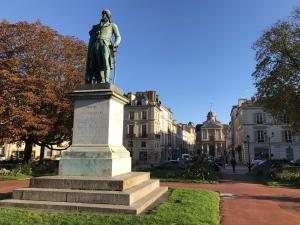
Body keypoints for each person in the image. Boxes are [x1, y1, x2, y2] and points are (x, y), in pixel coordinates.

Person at [85, 9, 121, 84]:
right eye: (102, 14)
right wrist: (95, 34)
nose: (102, 16)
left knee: (106, 62)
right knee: (96, 63)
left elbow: (118, 36)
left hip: (106, 44)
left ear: (108, 16)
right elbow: (91, 35)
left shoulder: (112, 25)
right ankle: (100, 79)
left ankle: (106, 80)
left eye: (104, 14)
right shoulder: (97, 26)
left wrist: (115, 44)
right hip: (96, 44)